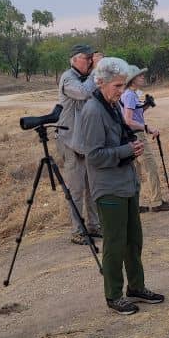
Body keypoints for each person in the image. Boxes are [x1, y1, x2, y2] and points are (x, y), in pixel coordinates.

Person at [73, 57, 165, 315]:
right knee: (114, 243)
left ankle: (136, 287)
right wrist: (126, 150)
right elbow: (93, 155)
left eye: (123, 85)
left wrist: (129, 145)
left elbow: (118, 136)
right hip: (108, 187)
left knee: (133, 240)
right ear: (100, 82)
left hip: (126, 183)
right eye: (116, 85)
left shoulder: (111, 104)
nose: (121, 91)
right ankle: (113, 294)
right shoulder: (92, 110)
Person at [57, 44, 104, 244]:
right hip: (70, 141)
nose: (90, 62)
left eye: (91, 58)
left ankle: (94, 226)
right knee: (76, 189)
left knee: (92, 187)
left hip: (85, 141)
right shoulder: (68, 78)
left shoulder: (86, 77)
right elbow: (84, 93)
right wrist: (96, 71)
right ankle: (77, 230)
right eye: (87, 58)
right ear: (74, 59)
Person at [121, 66, 169, 213]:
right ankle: (157, 201)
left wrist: (146, 106)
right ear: (132, 80)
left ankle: (134, 204)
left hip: (129, 137)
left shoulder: (128, 94)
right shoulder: (130, 95)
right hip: (137, 135)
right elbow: (128, 120)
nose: (143, 77)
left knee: (135, 172)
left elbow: (133, 114)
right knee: (150, 168)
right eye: (140, 76)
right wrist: (148, 128)